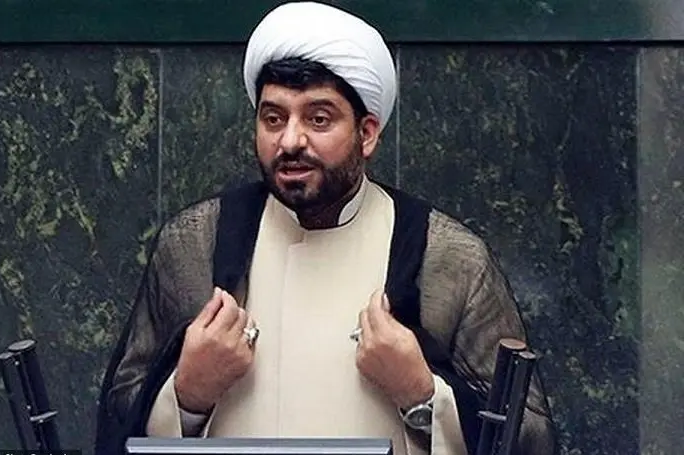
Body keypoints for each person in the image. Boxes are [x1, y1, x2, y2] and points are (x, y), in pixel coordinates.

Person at [94, 2, 556, 455]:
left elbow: (529, 434)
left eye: (318, 119)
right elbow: (118, 414)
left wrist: (422, 395)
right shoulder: (197, 242)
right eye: (273, 118)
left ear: (367, 133)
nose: (290, 141)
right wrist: (187, 395)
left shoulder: (446, 257)